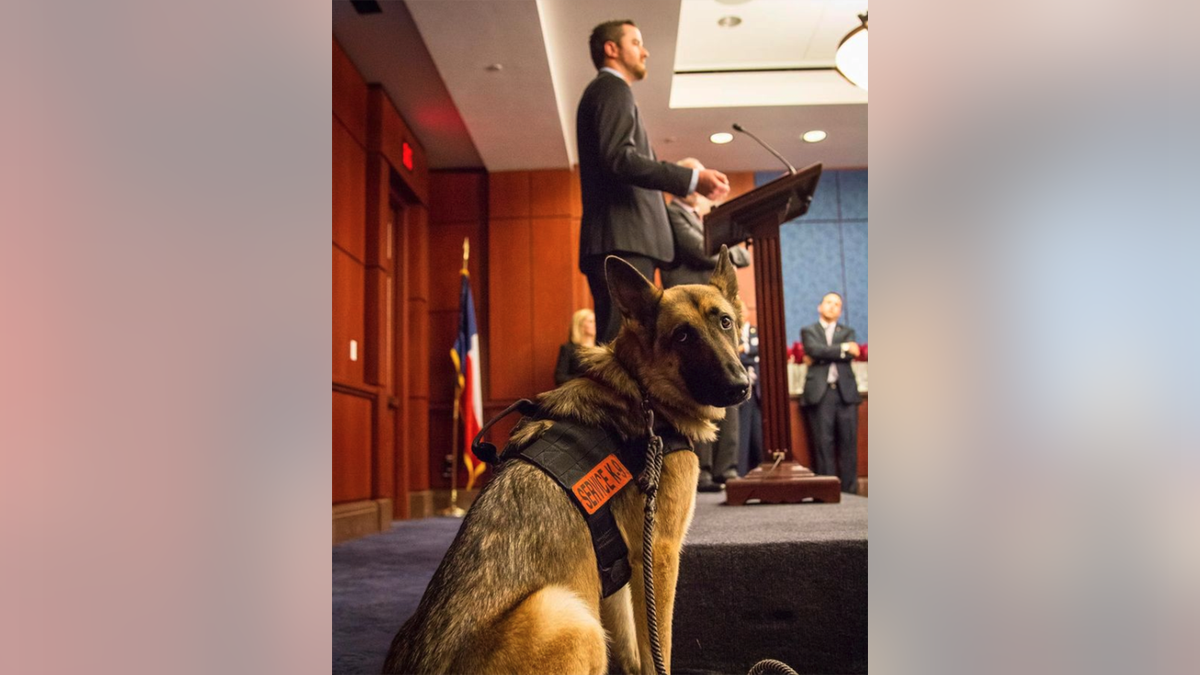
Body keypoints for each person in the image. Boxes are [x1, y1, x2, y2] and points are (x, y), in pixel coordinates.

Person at [576, 19, 731, 343]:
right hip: (622, 241)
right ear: (611, 49)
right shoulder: (612, 88)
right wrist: (690, 179)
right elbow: (619, 159)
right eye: (636, 43)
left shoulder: (610, 91)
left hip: (623, 241)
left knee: (627, 346)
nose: (644, 52)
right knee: (620, 347)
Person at [659, 157, 748, 490]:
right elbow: (699, 250)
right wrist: (726, 248)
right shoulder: (674, 212)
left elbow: (738, 256)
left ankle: (728, 468)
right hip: (688, 313)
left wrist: (726, 246)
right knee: (702, 387)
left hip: (717, 313)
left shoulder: (704, 217)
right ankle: (705, 469)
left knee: (732, 380)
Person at [800, 292, 862, 493]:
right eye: (829, 302)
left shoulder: (847, 331)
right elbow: (813, 350)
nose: (832, 306)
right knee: (822, 444)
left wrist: (824, 353)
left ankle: (850, 492)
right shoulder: (809, 330)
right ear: (820, 307)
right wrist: (842, 349)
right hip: (820, 393)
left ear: (841, 310)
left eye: (837, 304)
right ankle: (827, 491)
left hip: (845, 394)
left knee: (848, 444)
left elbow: (824, 353)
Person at [738, 320, 764, 476]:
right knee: (742, 435)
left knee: (758, 435)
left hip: (759, 392)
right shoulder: (732, 329)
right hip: (740, 393)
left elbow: (764, 349)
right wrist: (753, 357)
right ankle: (740, 474)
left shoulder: (756, 331)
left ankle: (762, 472)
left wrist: (745, 349)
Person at [554, 308, 596, 386]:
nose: (595, 324)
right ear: (580, 325)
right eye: (591, 321)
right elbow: (560, 378)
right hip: (577, 393)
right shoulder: (568, 349)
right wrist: (583, 379)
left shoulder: (600, 348)